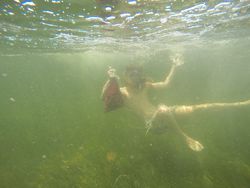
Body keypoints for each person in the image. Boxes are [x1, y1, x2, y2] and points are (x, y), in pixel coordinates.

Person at [101, 54, 250, 152]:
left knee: (199, 108)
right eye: (131, 74)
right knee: (163, 109)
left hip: (165, 114)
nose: (134, 76)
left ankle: (240, 104)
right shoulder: (122, 92)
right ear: (124, 76)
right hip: (152, 124)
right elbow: (103, 96)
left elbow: (166, 83)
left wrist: (174, 66)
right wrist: (111, 80)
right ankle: (185, 137)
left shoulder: (145, 86)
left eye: (137, 74)